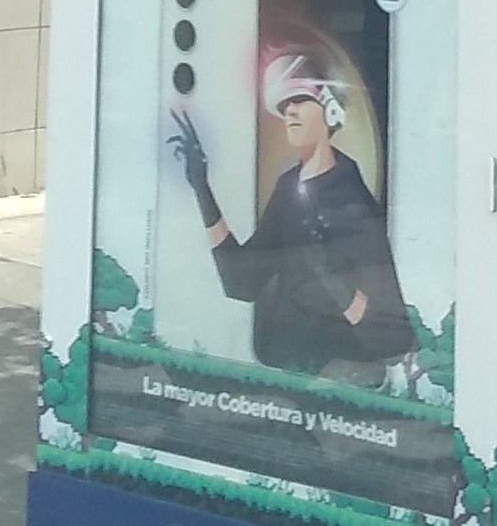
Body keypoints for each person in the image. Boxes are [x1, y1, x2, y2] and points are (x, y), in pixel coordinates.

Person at [168, 52, 414, 373]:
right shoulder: (290, 188)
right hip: (285, 372)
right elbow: (241, 282)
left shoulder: (350, 197)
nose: (290, 112)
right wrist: (202, 188)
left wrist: (337, 287)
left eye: (300, 100)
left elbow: (391, 337)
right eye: (284, 106)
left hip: (331, 381)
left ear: (330, 110)